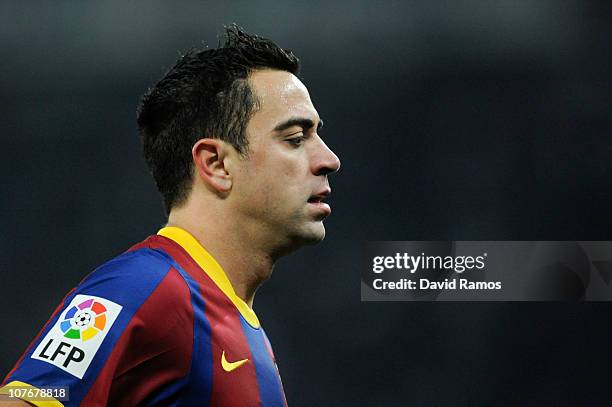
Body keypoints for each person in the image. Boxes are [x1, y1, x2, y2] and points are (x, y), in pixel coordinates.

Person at [0, 25, 340, 406]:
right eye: (295, 138)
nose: (329, 159)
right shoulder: (141, 287)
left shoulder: (239, 326)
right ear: (216, 164)